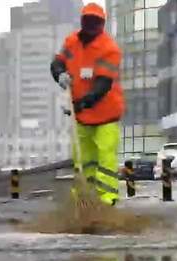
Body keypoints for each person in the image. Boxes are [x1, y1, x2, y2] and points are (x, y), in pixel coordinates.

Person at [50, 3, 124, 206]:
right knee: (83, 160)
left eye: (96, 21)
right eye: (88, 20)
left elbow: (102, 85)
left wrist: (80, 104)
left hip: (106, 115)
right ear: (83, 21)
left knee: (105, 157)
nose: (92, 24)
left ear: (102, 24)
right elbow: (57, 62)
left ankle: (106, 201)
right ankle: (84, 199)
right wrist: (60, 74)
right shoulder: (71, 41)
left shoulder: (109, 49)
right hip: (81, 117)